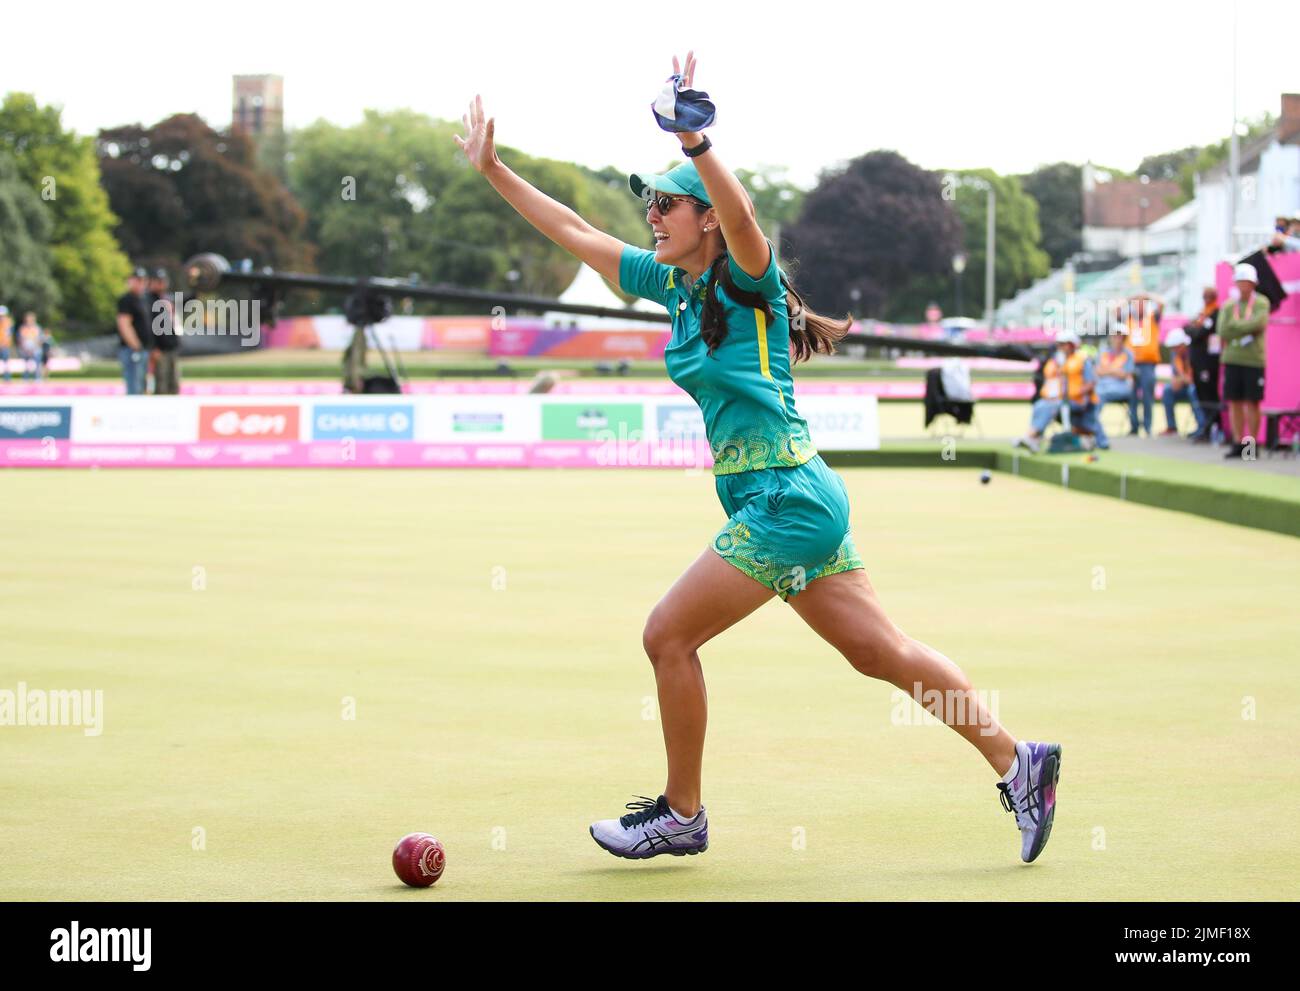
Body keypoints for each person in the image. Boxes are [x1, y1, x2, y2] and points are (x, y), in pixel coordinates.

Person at [455, 54, 1061, 865]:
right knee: (880, 653)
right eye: (653, 206)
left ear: (703, 215)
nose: (653, 218)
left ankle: (681, 813)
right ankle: (1019, 761)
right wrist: (495, 170)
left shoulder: (747, 278)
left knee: (667, 636)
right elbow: (575, 231)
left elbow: (747, 223)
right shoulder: (671, 285)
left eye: (666, 205)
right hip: (782, 497)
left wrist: (700, 143)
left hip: (786, 498)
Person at [1217, 262, 1269, 459]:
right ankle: (1238, 442)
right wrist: (1245, 326)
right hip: (1232, 358)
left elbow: (1258, 324)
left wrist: (1236, 327)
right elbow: (1223, 330)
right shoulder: (1230, 305)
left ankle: (1251, 446)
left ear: (1253, 283)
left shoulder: (1261, 302)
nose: (1243, 285)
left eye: (1246, 282)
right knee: (1235, 402)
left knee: (1252, 402)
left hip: (1253, 359)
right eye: (1240, 281)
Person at [1014, 333, 1068, 454]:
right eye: (1060, 344)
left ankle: (1031, 436)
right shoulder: (1053, 361)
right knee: (1039, 405)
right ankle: (1034, 438)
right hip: (1053, 397)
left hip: (1068, 399)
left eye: (1064, 344)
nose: (1062, 347)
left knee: (1048, 406)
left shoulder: (1073, 360)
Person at [1184, 288, 1221, 443]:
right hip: (1197, 361)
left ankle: (1215, 428)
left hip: (1207, 362)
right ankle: (1204, 427)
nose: (1206, 299)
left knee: (1209, 394)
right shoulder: (1203, 313)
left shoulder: (1215, 313)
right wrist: (1192, 329)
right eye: (1204, 296)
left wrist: (1192, 329)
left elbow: (1198, 333)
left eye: (1208, 296)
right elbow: (1187, 327)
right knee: (1200, 394)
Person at [1125, 293, 1164, 436]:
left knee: (1147, 396)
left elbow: (1161, 303)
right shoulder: (1129, 318)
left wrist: (1147, 295)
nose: (1139, 306)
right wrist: (1131, 298)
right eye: (1136, 303)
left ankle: (1147, 426)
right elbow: (1114, 309)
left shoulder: (1152, 317)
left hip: (1148, 363)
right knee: (1132, 396)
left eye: (1142, 303)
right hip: (1131, 363)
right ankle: (1134, 426)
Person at [1159, 328, 1204, 437]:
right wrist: (1181, 380)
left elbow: (1193, 379)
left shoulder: (1193, 353)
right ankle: (1172, 426)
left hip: (1195, 386)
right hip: (1183, 385)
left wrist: (1183, 380)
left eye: (1176, 347)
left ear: (1183, 344)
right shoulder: (1175, 356)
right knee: (1167, 390)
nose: (1174, 350)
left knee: (1192, 390)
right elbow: (1176, 378)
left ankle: (1202, 426)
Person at [116, 269, 151, 395]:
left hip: (143, 348)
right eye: (137, 280)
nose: (140, 284)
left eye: (142, 281)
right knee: (134, 386)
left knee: (142, 385)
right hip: (133, 349)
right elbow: (124, 324)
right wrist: (136, 345)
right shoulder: (127, 300)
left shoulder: (143, 299)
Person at [148, 268, 181, 395]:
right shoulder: (148, 300)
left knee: (174, 382)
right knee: (161, 383)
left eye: (163, 281)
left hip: (171, 346)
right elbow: (148, 326)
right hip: (159, 349)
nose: (161, 284)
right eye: (158, 281)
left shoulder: (166, 299)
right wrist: (153, 347)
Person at [17, 312, 42, 381]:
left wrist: (34, 348)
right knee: (26, 365)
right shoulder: (23, 328)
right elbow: (20, 339)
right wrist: (24, 348)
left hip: (35, 349)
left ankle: (37, 378)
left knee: (37, 364)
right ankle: (26, 378)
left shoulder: (37, 328)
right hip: (25, 349)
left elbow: (39, 339)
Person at [0, 305, 12, 383]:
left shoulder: (8, 322)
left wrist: (3, 344)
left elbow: (8, 335)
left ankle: (7, 378)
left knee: (6, 363)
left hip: (5, 346)